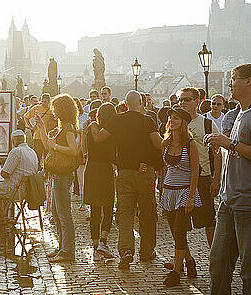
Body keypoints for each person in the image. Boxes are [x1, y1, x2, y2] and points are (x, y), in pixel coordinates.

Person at [205, 63, 251, 295]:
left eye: (234, 78)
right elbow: (241, 151)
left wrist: (231, 144)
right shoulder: (239, 113)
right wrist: (224, 148)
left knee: (250, 269)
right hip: (230, 200)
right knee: (218, 263)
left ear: (249, 82)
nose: (230, 83)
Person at [91, 90, 162, 269]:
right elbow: (158, 144)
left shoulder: (116, 120)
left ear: (125, 103)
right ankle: (146, 252)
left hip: (124, 173)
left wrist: (92, 125)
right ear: (140, 102)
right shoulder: (148, 121)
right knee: (147, 212)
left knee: (125, 213)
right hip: (145, 172)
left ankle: (126, 250)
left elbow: (99, 138)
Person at [159, 106, 201, 287]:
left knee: (179, 229)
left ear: (184, 122)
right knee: (178, 233)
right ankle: (189, 261)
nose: (172, 120)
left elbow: (195, 172)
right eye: (170, 118)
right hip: (169, 191)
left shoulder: (190, 144)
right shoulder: (165, 143)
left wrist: (191, 197)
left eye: (176, 118)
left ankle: (176, 271)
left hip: (185, 191)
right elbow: (165, 168)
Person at [38, 94, 79, 262]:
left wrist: (56, 146)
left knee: (63, 214)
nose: (53, 111)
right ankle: (62, 246)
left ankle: (67, 251)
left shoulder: (68, 128)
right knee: (56, 212)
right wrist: (41, 128)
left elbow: (74, 151)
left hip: (63, 175)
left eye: (55, 108)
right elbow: (47, 144)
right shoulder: (61, 127)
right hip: (57, 174)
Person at [179, 87, 222, 248]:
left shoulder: (207, 124)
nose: (183, 103)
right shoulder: (176, 122)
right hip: (182, 178)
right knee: (180, 223)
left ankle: (214, 254)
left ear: (197, 101)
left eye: (187, 99)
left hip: (204, 177)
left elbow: (217, 154)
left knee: (209, 220)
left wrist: (216, 180)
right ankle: (182, 257)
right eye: (181, 99)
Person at [0, 130, 38, 229]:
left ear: (13, 141)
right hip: (27, 190)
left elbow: (4, 174)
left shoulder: (16, 151)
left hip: (14, 190)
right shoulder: (32, 151)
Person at [83, 103, 117, 261]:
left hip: (93, 169)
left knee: (95, 210)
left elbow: (87, 146)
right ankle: (102, 242)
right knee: (107, 207)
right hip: (105, 169)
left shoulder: (92, 127)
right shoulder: (111, 131)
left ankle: (97, 247)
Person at [24, 93, 54, 162]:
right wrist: (31, 127)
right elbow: (26, 117)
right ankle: (37, 169)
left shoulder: (52, 110)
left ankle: (47, 170)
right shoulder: (37, 108)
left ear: (49, 102)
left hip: (48, 136)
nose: (43, 103)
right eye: (42, 101)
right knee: (37, 155)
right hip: (37, 136)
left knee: (48, 156)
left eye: (45, 102)